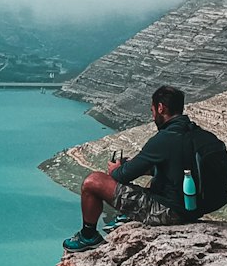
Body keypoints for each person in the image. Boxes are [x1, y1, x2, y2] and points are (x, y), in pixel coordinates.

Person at [62, 84, 197, 252]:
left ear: (161, 108)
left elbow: (121, 176)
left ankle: (88, 236)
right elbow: (178, 168)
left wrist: (116, 168)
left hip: (173, 212)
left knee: (93, 182)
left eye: (152, 110)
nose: (153, 115)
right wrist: (147, 169)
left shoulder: (164, 139)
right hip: (195, 207)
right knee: (159, 178)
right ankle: (128, 216)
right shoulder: (198, 135)